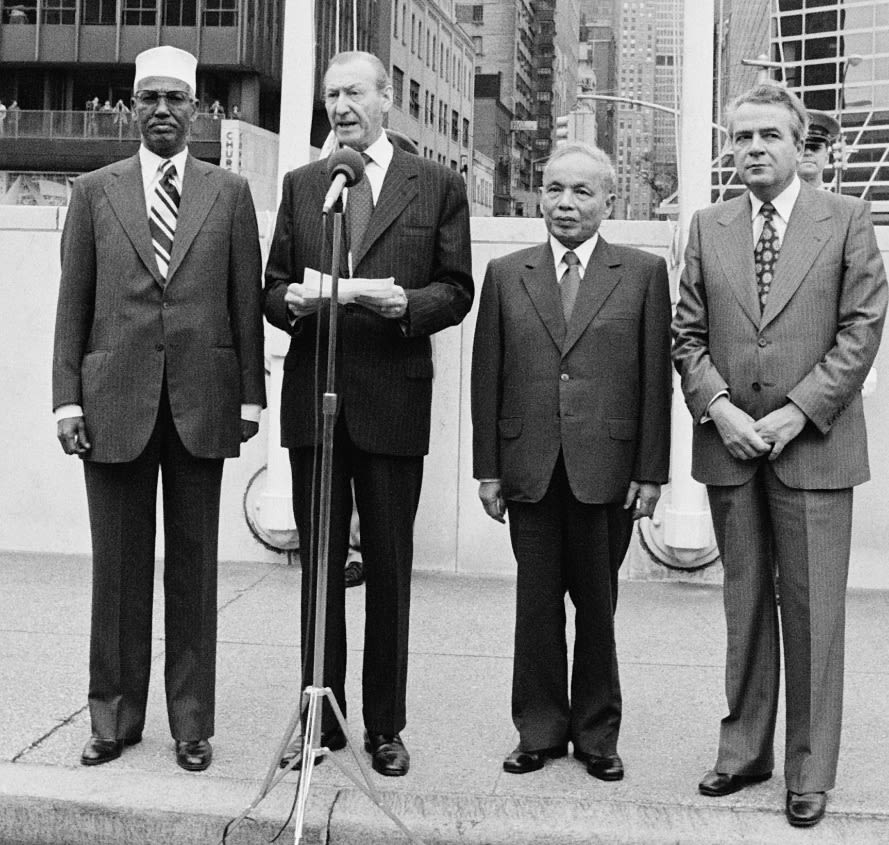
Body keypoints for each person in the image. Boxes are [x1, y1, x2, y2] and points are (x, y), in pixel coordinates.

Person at [672, 83, 887, 828]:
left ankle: (808, 770)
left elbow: (861, 330)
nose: (754, 148)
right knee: (745, 607)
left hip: (815, 449)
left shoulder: (847, 219)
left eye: (769, 135)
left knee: (813, 614)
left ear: (799, 145)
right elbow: (686, 335)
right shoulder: (708, 225)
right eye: (741, 137)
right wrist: (720, 408)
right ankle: (743, 753)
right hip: (731, 447)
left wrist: (797, 412)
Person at [52, 45, 265, 773]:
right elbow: (73, 304)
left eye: (177, 98)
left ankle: (192, 723)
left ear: (197, 109)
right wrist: (66, 401)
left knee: (195, 570)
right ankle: (113, 717)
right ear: (132, 107)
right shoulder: (94, 192)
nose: (164, 111)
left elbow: (243, 300)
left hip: (202, 402)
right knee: (116, 571)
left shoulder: (229, 194)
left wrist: (250, 396)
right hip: (112, 402)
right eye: (151, 99)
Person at [264, 50, 473, 777]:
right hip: (315, 404)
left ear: (387, 98)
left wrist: (406, 305)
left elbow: (456, 288)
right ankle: (320, 720)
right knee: (319, 571)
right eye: (331, 95)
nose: (340, 106)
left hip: (392, 399)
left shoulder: (436, 184)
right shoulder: (305, 185)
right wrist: (289, 302)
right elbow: (272, 286)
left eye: (353, 92)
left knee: (388, 570)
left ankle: (385, 725)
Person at [471, 141, 671, 780]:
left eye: (582, 191)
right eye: (554, 189)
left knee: (597, 609)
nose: (565, 203)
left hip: (607, 471)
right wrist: (488, 469)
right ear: (540, 197)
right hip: (528, 467)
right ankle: (538, 731)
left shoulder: (642, 273)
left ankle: (597, 736)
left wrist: (651, 472)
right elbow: (486, 375)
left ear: (608, 201)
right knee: (535, 609)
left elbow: (655, 382)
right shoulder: (507, 274)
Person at [797, 109, 839, 190]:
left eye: (815, 147)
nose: (808, 152)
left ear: (827, 157)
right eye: (802, 148)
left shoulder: (839, 199)